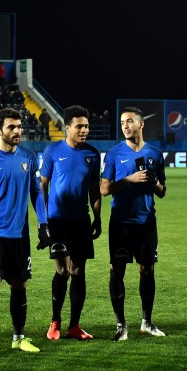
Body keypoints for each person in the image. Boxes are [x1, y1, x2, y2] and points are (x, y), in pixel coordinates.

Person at [0, 107, 47, 358]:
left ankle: (18, 338)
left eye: (19, 127)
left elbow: (36, 193)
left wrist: (43, 224)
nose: (17, 131)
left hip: (19, 235)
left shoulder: (29, 157)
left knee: (19, 284)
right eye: (11, 127)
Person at [100, 106, 167, 341]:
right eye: (122, 122)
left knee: (147, 270)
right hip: (121, 224)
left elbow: (162, 191)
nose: (125, 126)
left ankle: (146, 323)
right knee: (117, 271)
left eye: (129, 121)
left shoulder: (155, 154)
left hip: (147, 223)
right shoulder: (114, 153)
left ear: (141, 124)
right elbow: (104, 189)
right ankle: (121, 325)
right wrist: (129, 179)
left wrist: (154, 182)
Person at [39, 105, 101, 342]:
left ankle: (74, 325)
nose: (84, 130)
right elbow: (42, 185)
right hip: (57, 221)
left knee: (78, 271)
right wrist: (44, 219)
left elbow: (94, 189)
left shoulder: (92, 154)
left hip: (81, 221)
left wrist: (97, 217)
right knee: (62, 270)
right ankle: (55, 321)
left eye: (86, 126)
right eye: (79, 126)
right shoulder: (53, 151)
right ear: (67, 127)